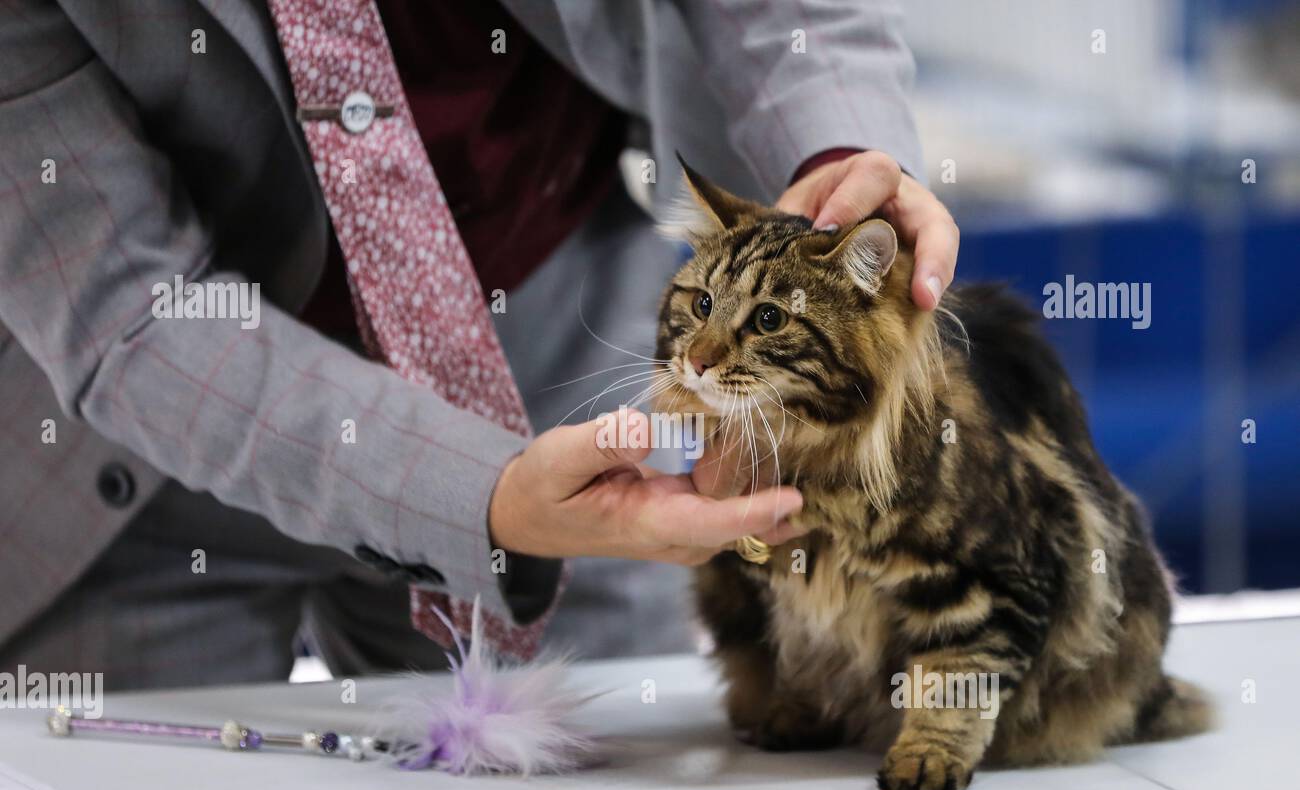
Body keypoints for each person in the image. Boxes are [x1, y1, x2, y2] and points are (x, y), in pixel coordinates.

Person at [0, 0, 958, 688]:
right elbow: (130, 311)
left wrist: (841, 157)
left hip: (563, 357)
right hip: (142, 478)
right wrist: (484, 498)